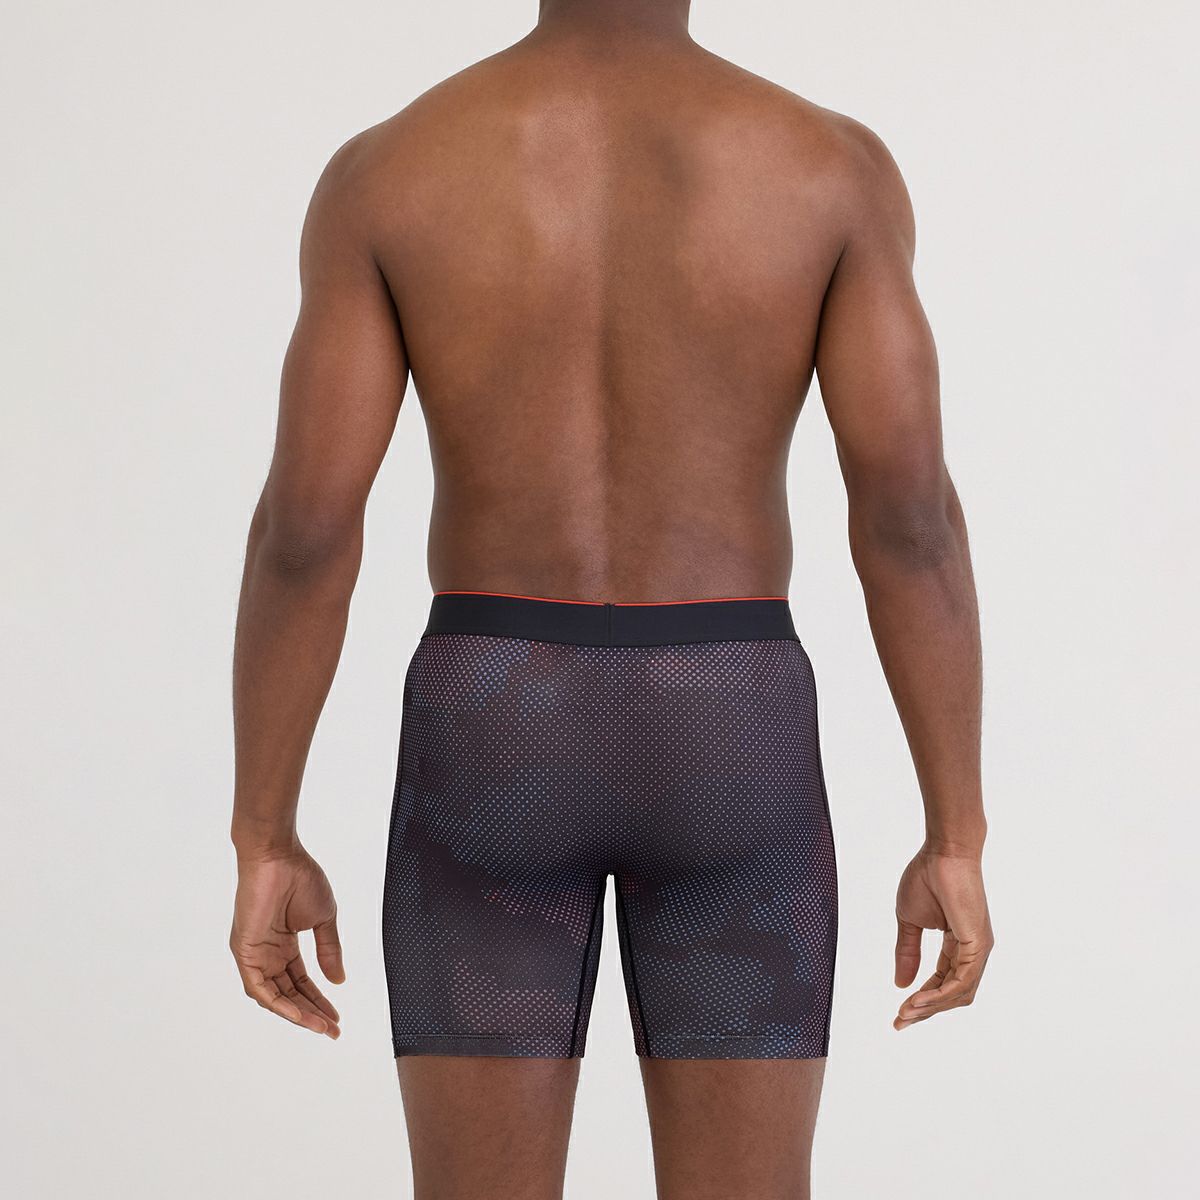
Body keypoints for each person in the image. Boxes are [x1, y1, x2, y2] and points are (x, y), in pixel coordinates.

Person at [229, 1, 993, 1195]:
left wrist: (263, 834)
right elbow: (908, 517)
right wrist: (955, 832)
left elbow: (306, 529)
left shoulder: (390, 172)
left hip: (494, 719)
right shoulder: (828, 169)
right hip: (729, 725)